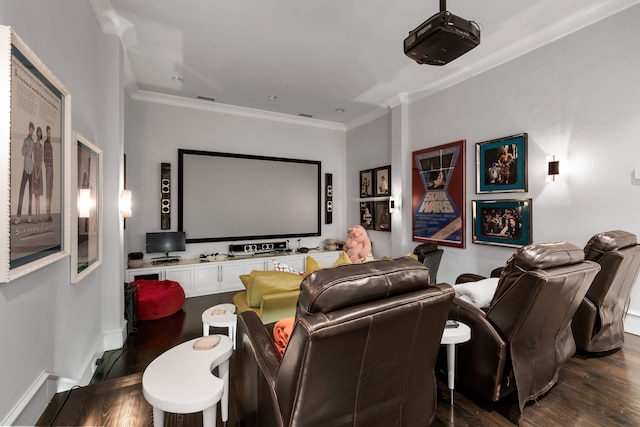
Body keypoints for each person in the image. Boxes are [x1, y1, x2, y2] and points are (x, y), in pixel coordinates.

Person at [14, 121, 35, 224]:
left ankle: (30, 215)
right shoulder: (25, 140)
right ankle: (18, 216)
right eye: (29, 129)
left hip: (31, 168)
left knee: (30, 193)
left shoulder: (33, 142)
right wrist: (26, 148)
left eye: (32, 129)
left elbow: (30, 152)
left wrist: (27, 148)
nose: (30, 130)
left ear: (33, 131)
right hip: (25, 168)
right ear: (28, 129)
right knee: (21, 191)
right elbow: (23, 152)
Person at [32, 126, 44, 223]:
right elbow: (33, 159)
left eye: (40, 132)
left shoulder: (42, 146)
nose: (38, 133)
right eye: (38, 132)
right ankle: (36, 215)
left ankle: (39, 215)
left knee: (39, 196)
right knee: (35, 195)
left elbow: (42, 161)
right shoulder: (34, 144)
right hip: (34, 169)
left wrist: (39, 172)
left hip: (39, 170)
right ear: (36, 133)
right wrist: (35, 172)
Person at [44, 125, 54, 222]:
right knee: (48, 192)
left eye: (50, 132)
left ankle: (49, 213)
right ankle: (47, 214)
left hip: (52, 168)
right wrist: (47, 168)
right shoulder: (46, 143)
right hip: (48, 168)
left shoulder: (50, 143)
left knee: (50, 190)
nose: (49, 134)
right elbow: (45, 157)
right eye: (48, 132)